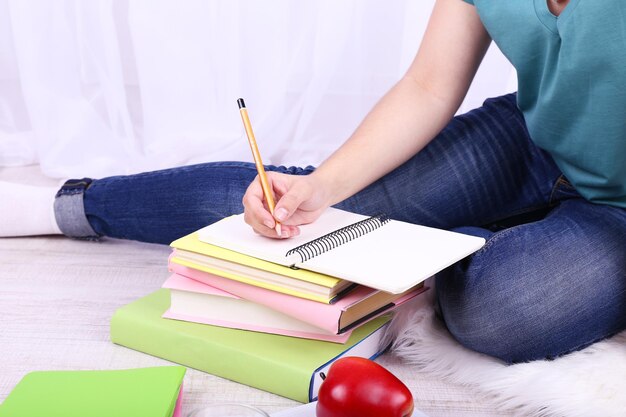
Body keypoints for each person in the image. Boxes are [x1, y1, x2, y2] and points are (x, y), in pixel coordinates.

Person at [1, 0, 624, 363]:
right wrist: (323, 187)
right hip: (531, 142)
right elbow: (428, 86)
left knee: (507, 311)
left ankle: (438, 254)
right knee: (295, 210)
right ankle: (64, 208)